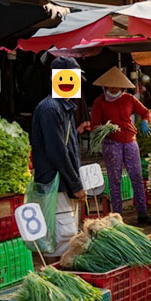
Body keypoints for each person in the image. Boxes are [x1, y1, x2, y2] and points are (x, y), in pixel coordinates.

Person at [31, 57, 86, 258]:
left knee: (67, 232)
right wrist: (75, 183)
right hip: (56, 182)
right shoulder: (50, 109)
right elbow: (57, 152)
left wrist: (76, 182)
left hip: (65, 182)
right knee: (61, 236)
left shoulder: (65, 107)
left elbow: (68, 148)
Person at [90, 67, 151, 225]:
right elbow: (95, 125)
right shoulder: (99, 102)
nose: (114, 88)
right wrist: (105, 129)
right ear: (105, 86)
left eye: (117, 85)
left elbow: (145, 112)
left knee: (137, 177)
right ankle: (117, 215)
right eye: (111, 86)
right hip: (111, 144)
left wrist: (144, 122)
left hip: (130, 142)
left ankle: (142, 212)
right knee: (114, 179)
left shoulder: (129, 99)